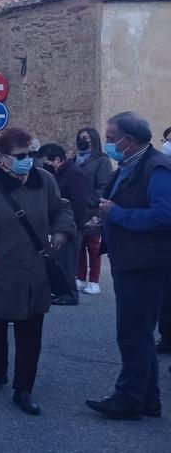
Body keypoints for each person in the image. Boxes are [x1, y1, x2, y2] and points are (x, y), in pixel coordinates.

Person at [0, 128, 74, 416]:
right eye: (21, 156)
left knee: (31, 333)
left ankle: (24, 388)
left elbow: (62, 209)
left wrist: (60, 232)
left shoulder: (44, 180)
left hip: (34, 269)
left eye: (32, 154)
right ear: (1, 158)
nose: (29, 160)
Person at [85, 112, 171, 420]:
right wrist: (102, 223)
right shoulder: (129, 166)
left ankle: (128, 398)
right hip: (131, 260)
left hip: (145, 264)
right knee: (139, 333)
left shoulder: (157, 168)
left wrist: (116, 215)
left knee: (133, 333)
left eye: (110, 139)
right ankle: (147, 399)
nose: (107, 144)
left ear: (129, 140)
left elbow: (164, 216)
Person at [36, 143, 90, 305]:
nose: (45, 165)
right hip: (64, 225)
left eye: (46, 162)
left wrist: (66, 224)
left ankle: (70, 294)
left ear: (57, 159)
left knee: (68, 262)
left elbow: (79, 202)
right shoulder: (61, 172)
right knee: (61, 260)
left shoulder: (73, 174)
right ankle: (62, 291)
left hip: (71, 226)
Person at [75, 127, 113, 296]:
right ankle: (81, 277)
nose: (84, 140)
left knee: (93, 245)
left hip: (91, 209)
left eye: (87, 137)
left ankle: (94, 280)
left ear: (94, 140)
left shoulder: (102, 160)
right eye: (81, 137)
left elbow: (104, 186)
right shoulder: (73, 159)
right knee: (79, 245)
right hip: (76, 210)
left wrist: (89, 200)